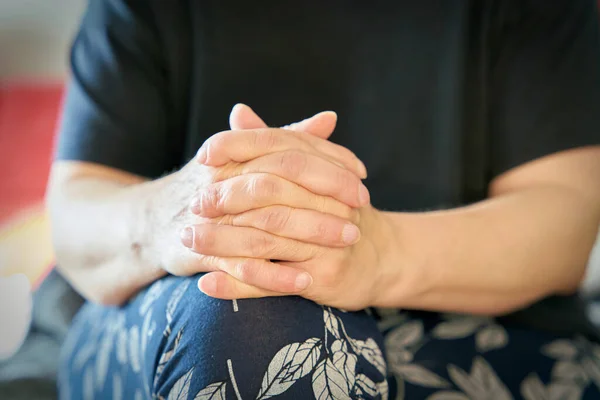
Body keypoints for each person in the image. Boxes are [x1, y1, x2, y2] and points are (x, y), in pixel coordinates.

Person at [48, 0, 600, 398]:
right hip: (178, 315)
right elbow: (76, 215)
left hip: (469, 323)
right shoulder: (140, 9)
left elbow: (565, 223)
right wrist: (184, 214)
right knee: (242, 318)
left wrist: (378, 254)